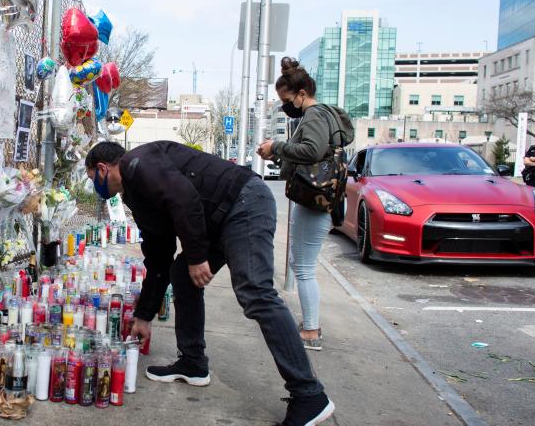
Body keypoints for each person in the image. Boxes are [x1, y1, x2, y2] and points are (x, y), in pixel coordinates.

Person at [84, 141, 334, 426]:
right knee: (181, 275)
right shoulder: (135, 192)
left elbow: (184, 198)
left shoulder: (137, 163)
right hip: (219, 216)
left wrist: (197, 255)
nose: (96, 186)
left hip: (244, 201)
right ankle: (193, 362)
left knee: (256, 292)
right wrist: (144, 314)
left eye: (93, 178)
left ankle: (309, 395)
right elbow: (158, 253)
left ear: (102, 168)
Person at [255, 57, 354, 352]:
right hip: (319, 198)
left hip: (315, 199)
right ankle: (310, 326)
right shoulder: (322, 116)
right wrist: (276, 154)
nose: (286, 107)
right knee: (301, 264)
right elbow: (310, 153)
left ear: (301, 94)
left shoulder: (313, 115)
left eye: (287, 100)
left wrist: (277, 147)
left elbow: (311, 151)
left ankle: (311, 330)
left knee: (305, 268)